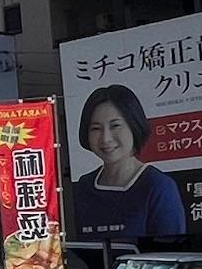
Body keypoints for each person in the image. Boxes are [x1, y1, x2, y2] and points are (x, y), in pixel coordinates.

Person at [72, 83, 185, 238]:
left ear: (134, 125)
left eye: (115, 126)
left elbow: (170, 254)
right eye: (96, 129)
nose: (105, 138)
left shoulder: (158, 187)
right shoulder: (82, 189)